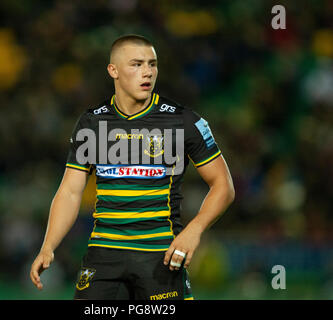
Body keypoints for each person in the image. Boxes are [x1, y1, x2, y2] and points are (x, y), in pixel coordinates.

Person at [29, 34, 235, 300]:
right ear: (113, 70)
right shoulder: (92, 123)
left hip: (160, 257)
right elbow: (70, 191)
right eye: (136, 64)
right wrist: (48, 246)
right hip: (103, 257)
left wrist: (193, 231)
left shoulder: (183, 122)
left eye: (152, 64)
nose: (147, 72)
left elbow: (224, 186)